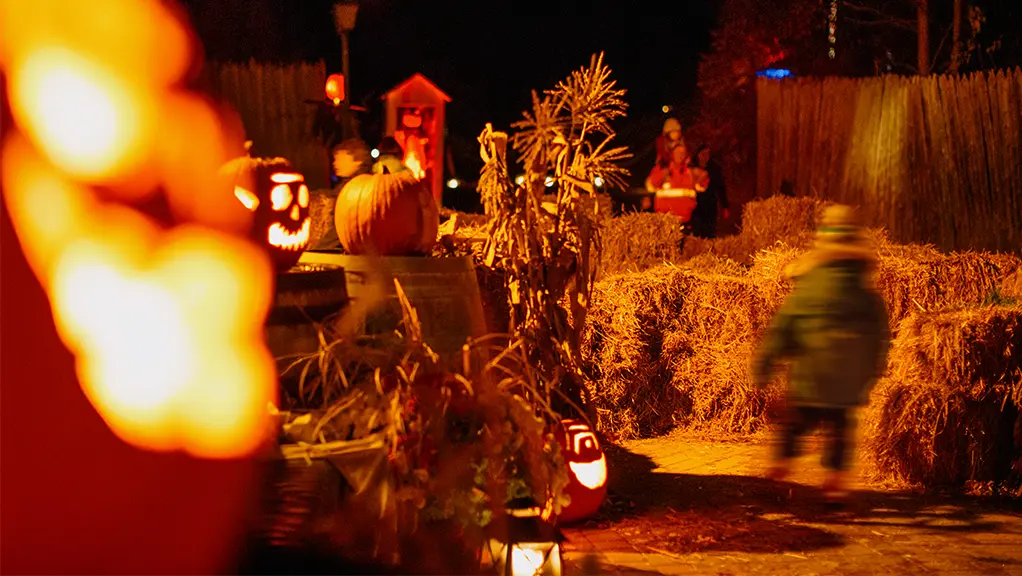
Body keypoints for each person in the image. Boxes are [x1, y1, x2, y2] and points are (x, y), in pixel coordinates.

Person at [751, 204, 891, 501]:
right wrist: (873, 369)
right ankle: (836, 481)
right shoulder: (867, 293)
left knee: (797, 420)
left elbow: (782, 328)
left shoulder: (808, 288)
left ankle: (781, 464)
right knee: (841, 427)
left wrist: (765, 364)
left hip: (812, 375)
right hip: (850, 378)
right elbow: (880, 334)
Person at [314, 138, 371, 250]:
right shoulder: (350, 186)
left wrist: (319, 250)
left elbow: (339, 230)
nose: (335, 163)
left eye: (339, 159)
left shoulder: (354, 190)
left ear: (357, 160)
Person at [645, 141, 709, 224]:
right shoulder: (661, 169)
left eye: (683, 153)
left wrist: (702, 177)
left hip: (686, 220)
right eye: (678, 152)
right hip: (665, 220)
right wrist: (662, 175)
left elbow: (701, 187)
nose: (680, 155)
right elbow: (651, 186)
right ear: (671, 154)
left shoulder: (690, 172)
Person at [691, 145, 730, 239]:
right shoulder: (690, 167)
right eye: (703, 154)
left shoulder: (714, 168)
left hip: (710, 203)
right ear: (697, 154)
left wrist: (725, 206)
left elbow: (721, 187)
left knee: (709, 231)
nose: (705, 157)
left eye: (707, 154)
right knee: (695, 230)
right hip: (694, 204)